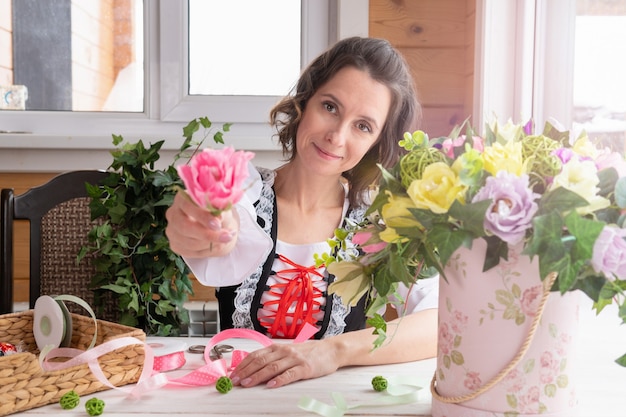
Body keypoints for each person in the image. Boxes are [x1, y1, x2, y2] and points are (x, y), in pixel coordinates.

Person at [165, 36, 438, 388]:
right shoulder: (246, 190)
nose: (337, 136)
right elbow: (218, 221)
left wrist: (334, 351)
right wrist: (200, 226)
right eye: (330, 107)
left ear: (377, 143)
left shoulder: (381, 222)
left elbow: (435, 323)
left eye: (363, 126)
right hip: (235, 400)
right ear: (305, 102)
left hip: (333, 404)